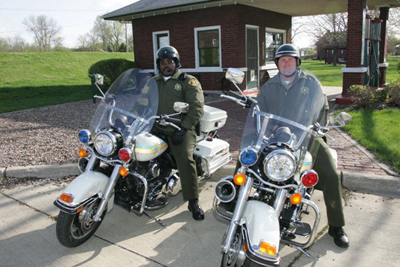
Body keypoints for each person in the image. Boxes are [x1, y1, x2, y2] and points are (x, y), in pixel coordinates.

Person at [256, 44, 350, 248]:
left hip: (307, 135)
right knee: (248, 159)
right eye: (282, 60)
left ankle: (336, 225)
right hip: (276, 136)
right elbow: (259, 111)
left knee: (331, 174)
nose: (287, 63)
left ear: (297, 62)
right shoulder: (269, 86)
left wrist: (320, 131)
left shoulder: (312, 83)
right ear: (277, 64)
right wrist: (261, 129)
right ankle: (235, 200)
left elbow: (323, 109)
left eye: (291, 60)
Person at [152, 45, 205, 221]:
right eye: (163, 62)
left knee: (184, 157)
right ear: (158, 64)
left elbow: (197, 108)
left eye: (170, 62)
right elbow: (143, 102)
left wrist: (184, 127)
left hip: (180, 128)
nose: (166, 65)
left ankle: (193, 201)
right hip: (156, 126)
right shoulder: (154, 82)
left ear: (176, 63)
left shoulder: (187, 81)